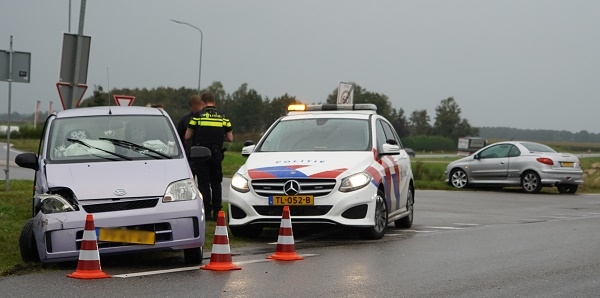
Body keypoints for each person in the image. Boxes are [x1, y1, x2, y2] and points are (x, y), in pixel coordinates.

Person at [185, 93, 233, 220]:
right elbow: (230, 138)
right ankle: (217, 212)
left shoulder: (197, 116)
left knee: (204, 183)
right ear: (214, 102)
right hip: (217, 154)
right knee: (216, 184)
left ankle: (206, 212)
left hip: (201, 155)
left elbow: (187, 136)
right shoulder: (223, 117)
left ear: (203, 103)